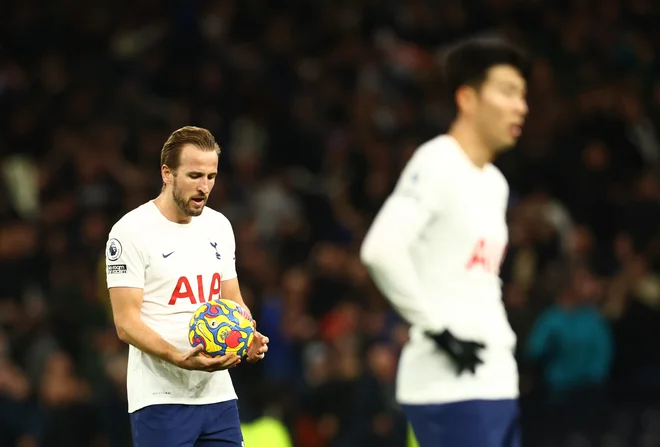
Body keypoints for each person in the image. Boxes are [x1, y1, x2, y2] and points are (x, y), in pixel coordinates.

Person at [359, 37, 530, 447]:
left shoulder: (495, 183)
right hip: (449, 387)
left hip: (494, 379)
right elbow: (380, 250)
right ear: (467, 98)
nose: (521, 106)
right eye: (507, 91)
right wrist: (438, 331)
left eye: (523, 95)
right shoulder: (438, 161)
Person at [105, 126, 269, 447]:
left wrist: (247, 333)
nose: (204, 187)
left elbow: (232, 299)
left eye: (211, 176)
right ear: (167, 173)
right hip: (161, 396)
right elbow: (125, 325)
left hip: (217, 395)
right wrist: (179, 357)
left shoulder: (219, 225)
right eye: (194, 175)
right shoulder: (130, 232)